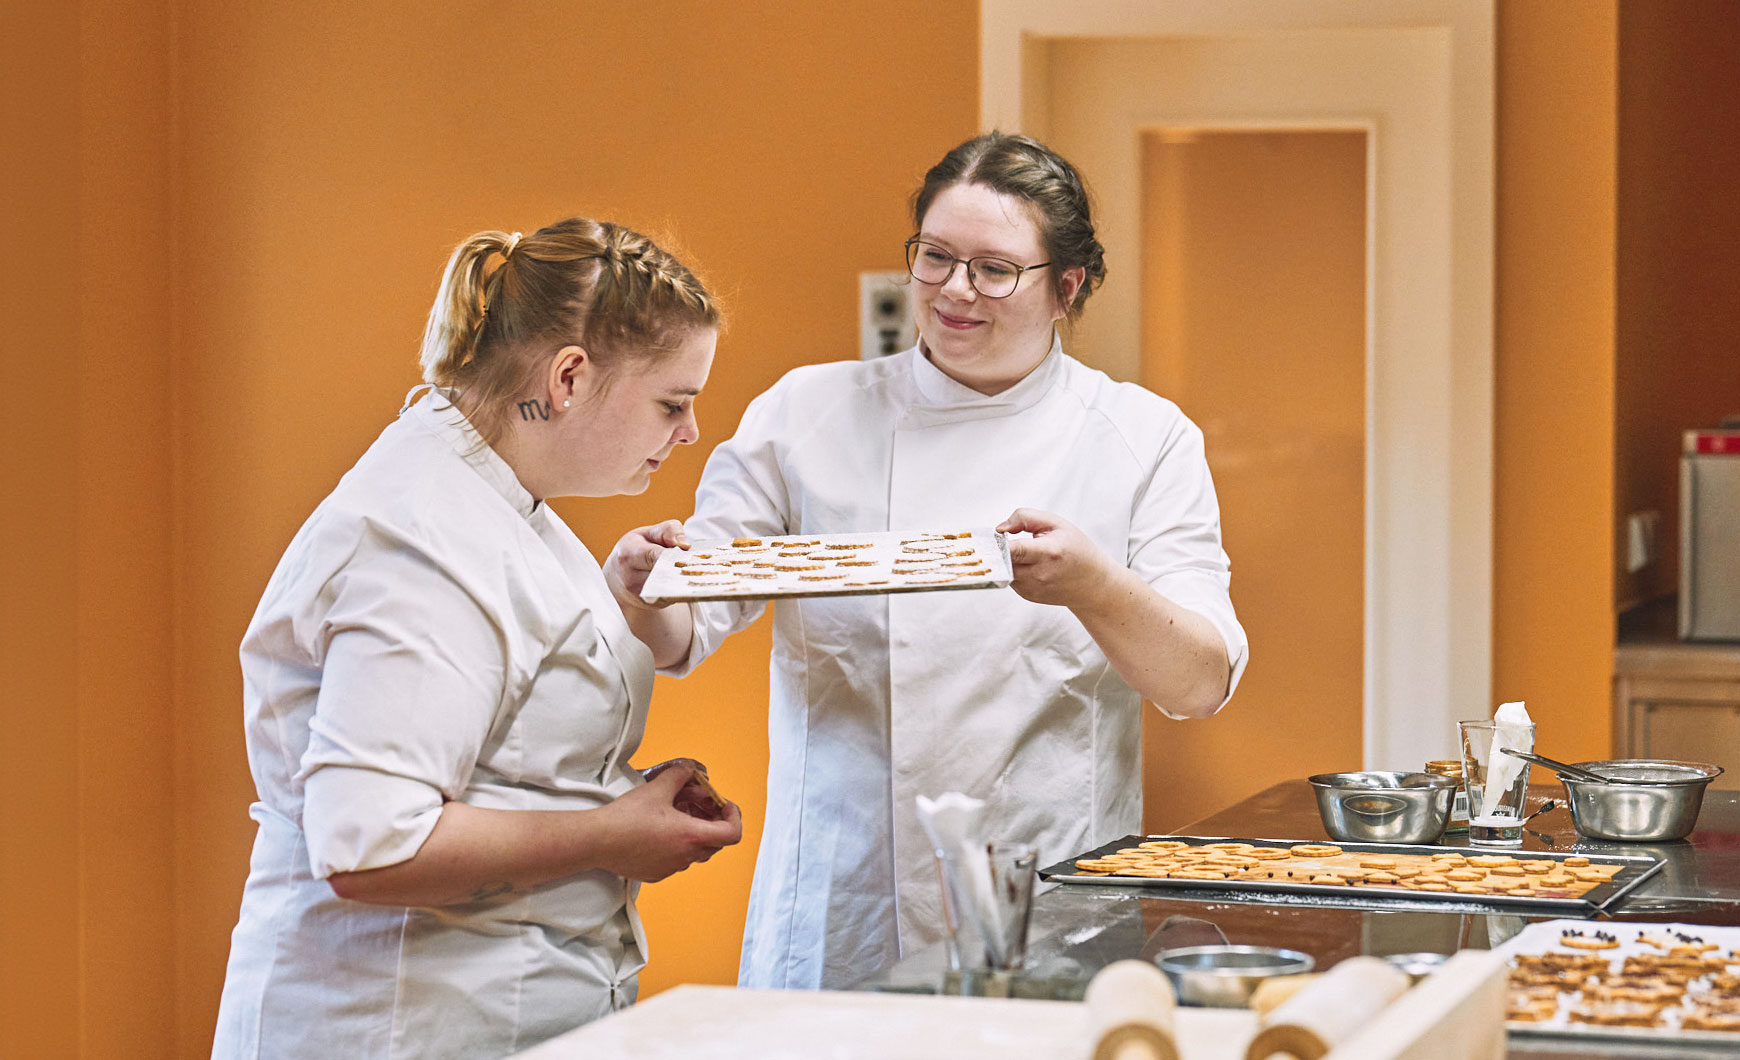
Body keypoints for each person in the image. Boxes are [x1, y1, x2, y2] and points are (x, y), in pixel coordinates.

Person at [606, 132, 1249, 989]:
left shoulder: (1142, 438)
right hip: (842, 899)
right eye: (935, 257)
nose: (954, 289)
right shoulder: (806, 414)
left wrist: (1093, 585)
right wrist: (647, 584)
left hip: (1045, 896)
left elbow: (1198, 681)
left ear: (1068, 286)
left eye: (993, 269)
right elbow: (682, 631)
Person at [212, 218, 743, 1060]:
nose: (689, 433)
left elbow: (504, 689)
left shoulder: (497, 494)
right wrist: (612, 833)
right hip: (396, 1026)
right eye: (673, 402)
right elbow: (371, 847)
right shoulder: (418, 537)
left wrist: (611, 601)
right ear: (569, 377)